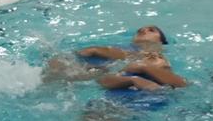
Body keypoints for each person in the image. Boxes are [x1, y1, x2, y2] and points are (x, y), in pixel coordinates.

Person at [42, 24, 189, 93]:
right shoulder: (127, 49)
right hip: (115, 87)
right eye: (140, 30)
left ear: (161, 41)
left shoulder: (155, 53)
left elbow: (180, 84)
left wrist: (96, 50)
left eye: (151, 30)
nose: (143, 30)